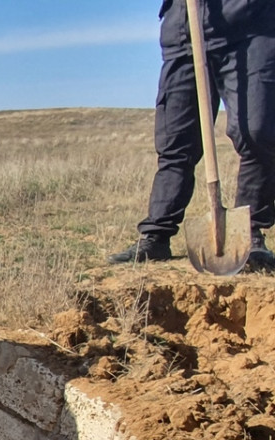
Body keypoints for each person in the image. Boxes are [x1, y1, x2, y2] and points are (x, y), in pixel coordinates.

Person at [110, 0, 275, 269]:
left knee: (257, 130)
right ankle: (156, 236)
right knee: (176, 141)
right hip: (183, 31)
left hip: (250, 26)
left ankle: (249, 235)